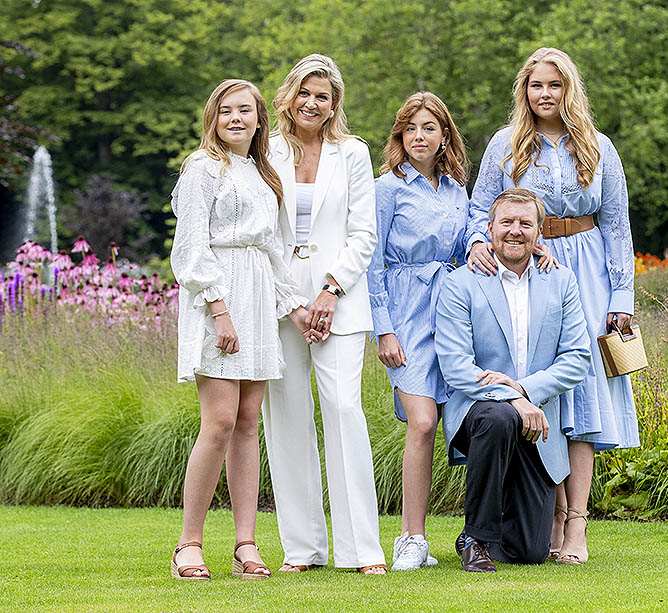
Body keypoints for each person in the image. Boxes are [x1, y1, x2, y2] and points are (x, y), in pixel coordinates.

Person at [467, 47, 638, 565]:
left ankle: (577, 525)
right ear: (525, 90)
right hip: (527, 268)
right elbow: (481, 209)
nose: (545, 94)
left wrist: (621, 296)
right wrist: (478, 242)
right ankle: (550, 515)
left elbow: (616, 224)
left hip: (585, 269)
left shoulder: (598, 145)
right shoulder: (506, 142)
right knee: (544, 389)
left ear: (569, 91)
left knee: (582, 394)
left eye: (555, 86)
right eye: (537, 85)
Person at [170, 79, 316, 580]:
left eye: (245, 111)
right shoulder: (201, 169)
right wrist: (218, 309)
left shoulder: (262, 173)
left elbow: (274, 254)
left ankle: (245, 544)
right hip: (220, 295)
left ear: (259, 120)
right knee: (219, 421)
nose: (236, 118)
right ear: (214, 117)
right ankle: (188, 545)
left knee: (249, 421)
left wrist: (294, 307)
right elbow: (190, 247)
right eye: (226, 110)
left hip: (256, 297)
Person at [260, 54, 386, 575]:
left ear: (335, 105)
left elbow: (364, 234)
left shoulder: (352, 153)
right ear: (289, 96)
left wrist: (330, 291)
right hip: (279, 302)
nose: (312, 103)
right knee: (286, 419)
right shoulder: (264, 152)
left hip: (342, 302)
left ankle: (362, 551)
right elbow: (263, 236)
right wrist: (293, 303)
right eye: (304, 93)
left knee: (343, 412)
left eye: (323, 96)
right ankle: (303, 550)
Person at [435, 188, 591, 572]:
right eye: (506, 222)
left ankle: (493, 530)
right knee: (499, 417)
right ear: (489, 229)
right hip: (479, 412)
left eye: (525, 223)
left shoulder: (561, 282)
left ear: (539, 233)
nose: (515, 231)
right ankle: (477, 538)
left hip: (537, 425)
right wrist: (511, 399)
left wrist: (525, 391)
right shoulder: (460, 283)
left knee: (529, 552)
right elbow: (456, 366)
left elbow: (578, 359)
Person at [366, 91, 469, 571]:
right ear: (399, 137)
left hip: (452, 311)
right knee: (423, 421)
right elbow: (372, 263)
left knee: (466, 422)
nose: (420, 137)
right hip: (406, 313)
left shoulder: (455, 190)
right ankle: (411, 537)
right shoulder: (385, 188)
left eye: (429, 128)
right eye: (411, 129)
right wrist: (383, 329)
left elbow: (472, 236)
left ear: (444, 135)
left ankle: (486, 530)